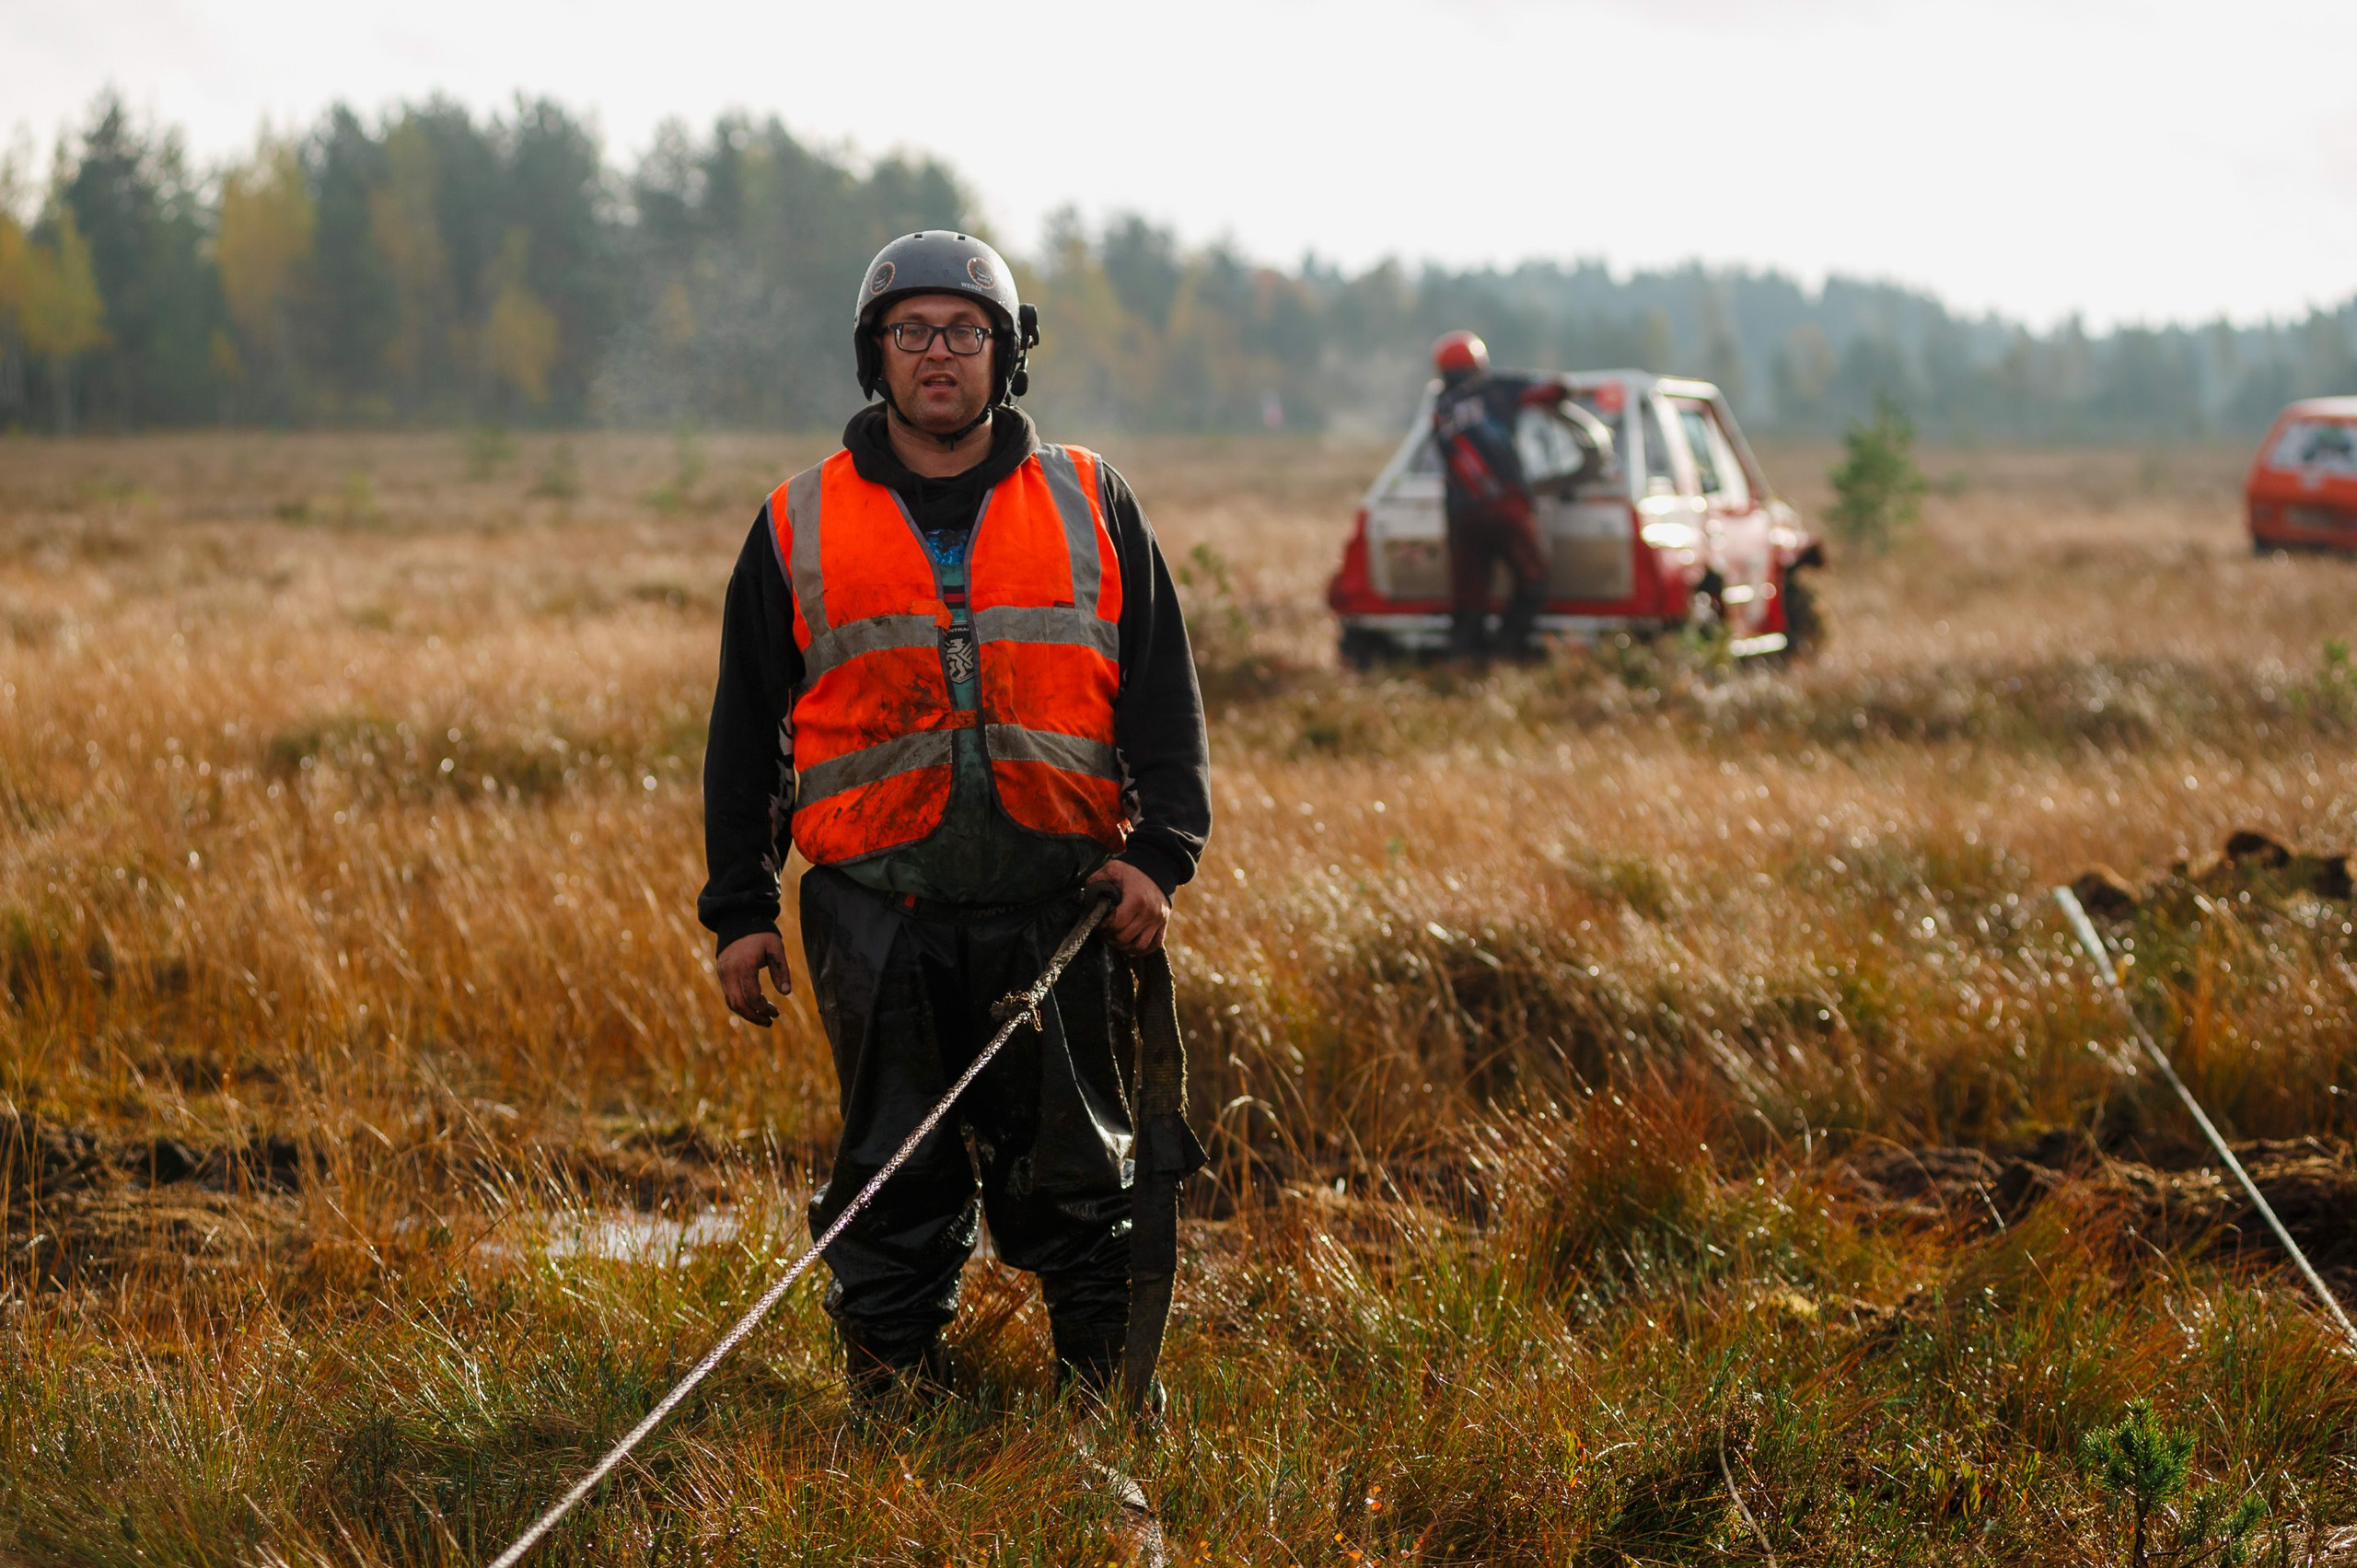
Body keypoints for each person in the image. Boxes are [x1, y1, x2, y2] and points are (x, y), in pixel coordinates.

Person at [696, 231, 1211, 1418]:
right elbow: (747, 736)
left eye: (966, 330)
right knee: (890, 1173)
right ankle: (894, 1402)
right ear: (874, 354)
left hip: (1060, 909)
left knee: (1083, 1174)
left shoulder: (1091, 498)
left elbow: (1160, 700)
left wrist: (1157, 855)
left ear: (1007, 352)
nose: (940, 353)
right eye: (913, 331)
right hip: (876, 914)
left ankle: (1102, 1409)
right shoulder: (795, 521)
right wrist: (739, 909)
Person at [1428, 330, 1568, 661]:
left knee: (1470, 591)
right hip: (1505, 506)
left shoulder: (1439, 408)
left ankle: (1464, 658)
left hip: (1461, 513)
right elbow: (1554, 390)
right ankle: (1507, 651)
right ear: (1479, 364)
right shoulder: (1498, 388)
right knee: (1533, 579)